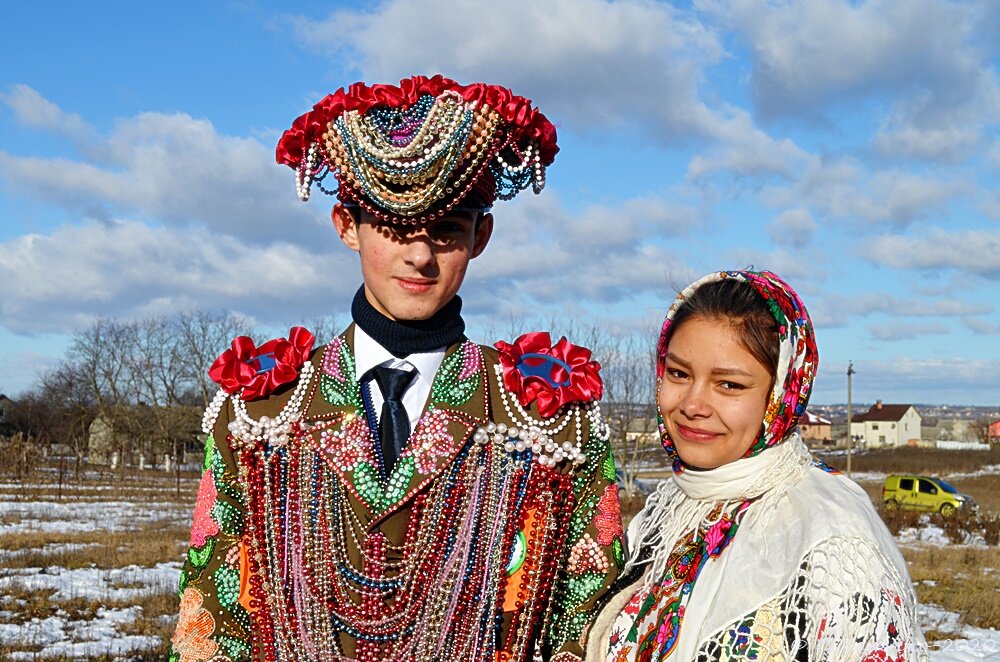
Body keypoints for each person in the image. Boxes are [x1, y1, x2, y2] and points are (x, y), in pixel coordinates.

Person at [170, 75, 623, 662]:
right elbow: (211, 618)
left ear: (481, 235)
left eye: (447, 231)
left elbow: (581, 624)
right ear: (345, 227)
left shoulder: (549, 421)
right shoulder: (262, 411)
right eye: (394, 228)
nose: (419, 256)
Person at [584, 270, 927, 661]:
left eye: (729, 385)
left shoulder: (833, 542)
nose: (692, 405)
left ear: (781, 395)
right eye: (678, 374)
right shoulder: (668, 512)